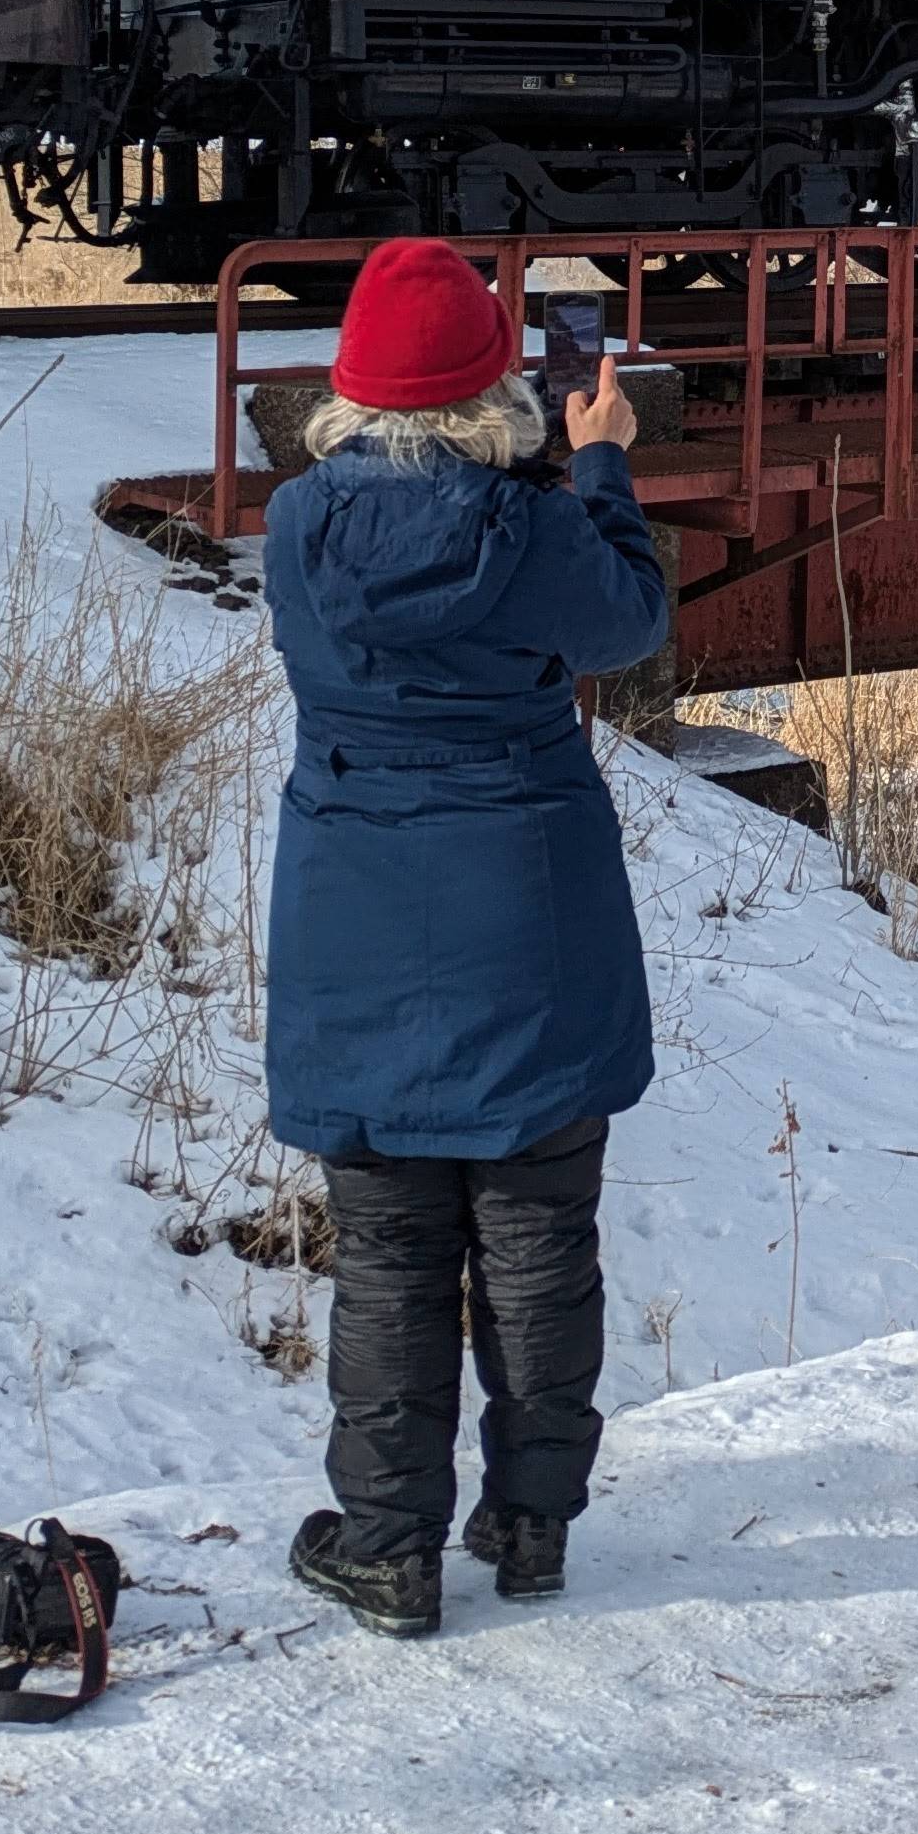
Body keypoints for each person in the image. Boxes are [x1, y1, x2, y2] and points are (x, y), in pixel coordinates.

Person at [263, 238, 672, 1637]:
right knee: (542, 1241)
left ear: (352, 388)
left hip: (355, 920)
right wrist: (599, 461)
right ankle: (534, 1526)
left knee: (385, 1256)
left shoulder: (299, 534)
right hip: (529, 920)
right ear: (494, 382)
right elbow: (629, 619)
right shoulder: (538, 530)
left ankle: (386, 1549)